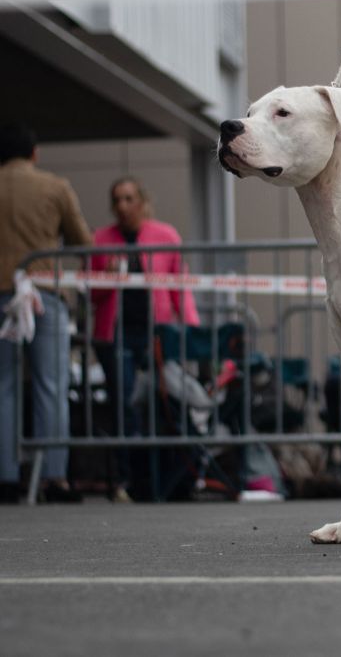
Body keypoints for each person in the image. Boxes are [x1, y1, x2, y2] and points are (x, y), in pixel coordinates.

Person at [91, 176, 199, 501]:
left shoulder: (165, 236)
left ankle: (164, 476)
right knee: (124, 406)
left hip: (158, 332)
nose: (123, 206)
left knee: (164, 403)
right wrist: (107, 279)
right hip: (117, 334)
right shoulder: (100, 240)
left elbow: (180, 287)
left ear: (141, 202)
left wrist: (192, 329)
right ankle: (127, 479)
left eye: (128, 198)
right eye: (117, 200)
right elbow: (92, 295)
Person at [0, 123, 92, 504]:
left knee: (1, 386)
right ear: (34, 153)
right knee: (50, 387)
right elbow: (81, 242)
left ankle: (5, 476)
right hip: (44, 293)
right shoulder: (55, 187)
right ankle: (53, 477)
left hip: (1, 294)